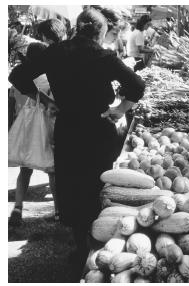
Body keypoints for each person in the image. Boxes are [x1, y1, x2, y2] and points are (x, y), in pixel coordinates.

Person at [9, 9, 145, 275]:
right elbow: (137, 85)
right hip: (97, 128)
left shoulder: (56, 52)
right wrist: (119, 109)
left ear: (77, 28)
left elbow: (18, 77)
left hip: (68, 127)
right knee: (96, 184)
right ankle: (96, 243)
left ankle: (80, 244)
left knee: (71, 183)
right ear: (99, 31)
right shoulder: (103, 55)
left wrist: (48, 102)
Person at [9, 18, 67, 227]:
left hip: (28, 121)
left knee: (25, 167)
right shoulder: (48, 77)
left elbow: (18, 87)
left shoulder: (31, 77)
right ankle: (59, 211)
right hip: (47, 123)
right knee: (52, 169)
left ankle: (17, 207)